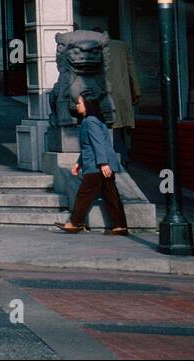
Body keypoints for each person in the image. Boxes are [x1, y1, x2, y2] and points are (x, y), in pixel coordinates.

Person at [56, 93, 130, 235]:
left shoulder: (90, 121)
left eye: (79, 103)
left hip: (97, 166)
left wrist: (103, 163)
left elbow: (98, 143)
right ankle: (120, 226)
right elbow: (88, 146)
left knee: (84, 194)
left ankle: (74, 223)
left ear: (88, 105)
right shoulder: (93, 121)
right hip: (98, 164)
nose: (76, 106)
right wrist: (79, 164)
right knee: (111, 195)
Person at [101, 31, 141, 157]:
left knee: (107, 128)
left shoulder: (95, 46)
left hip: (103, 93)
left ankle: (117, 156)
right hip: (122, 93)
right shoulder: (122, 46)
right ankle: (123, 155)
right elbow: (132, 70)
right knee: (120, 128)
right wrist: (137, 91)